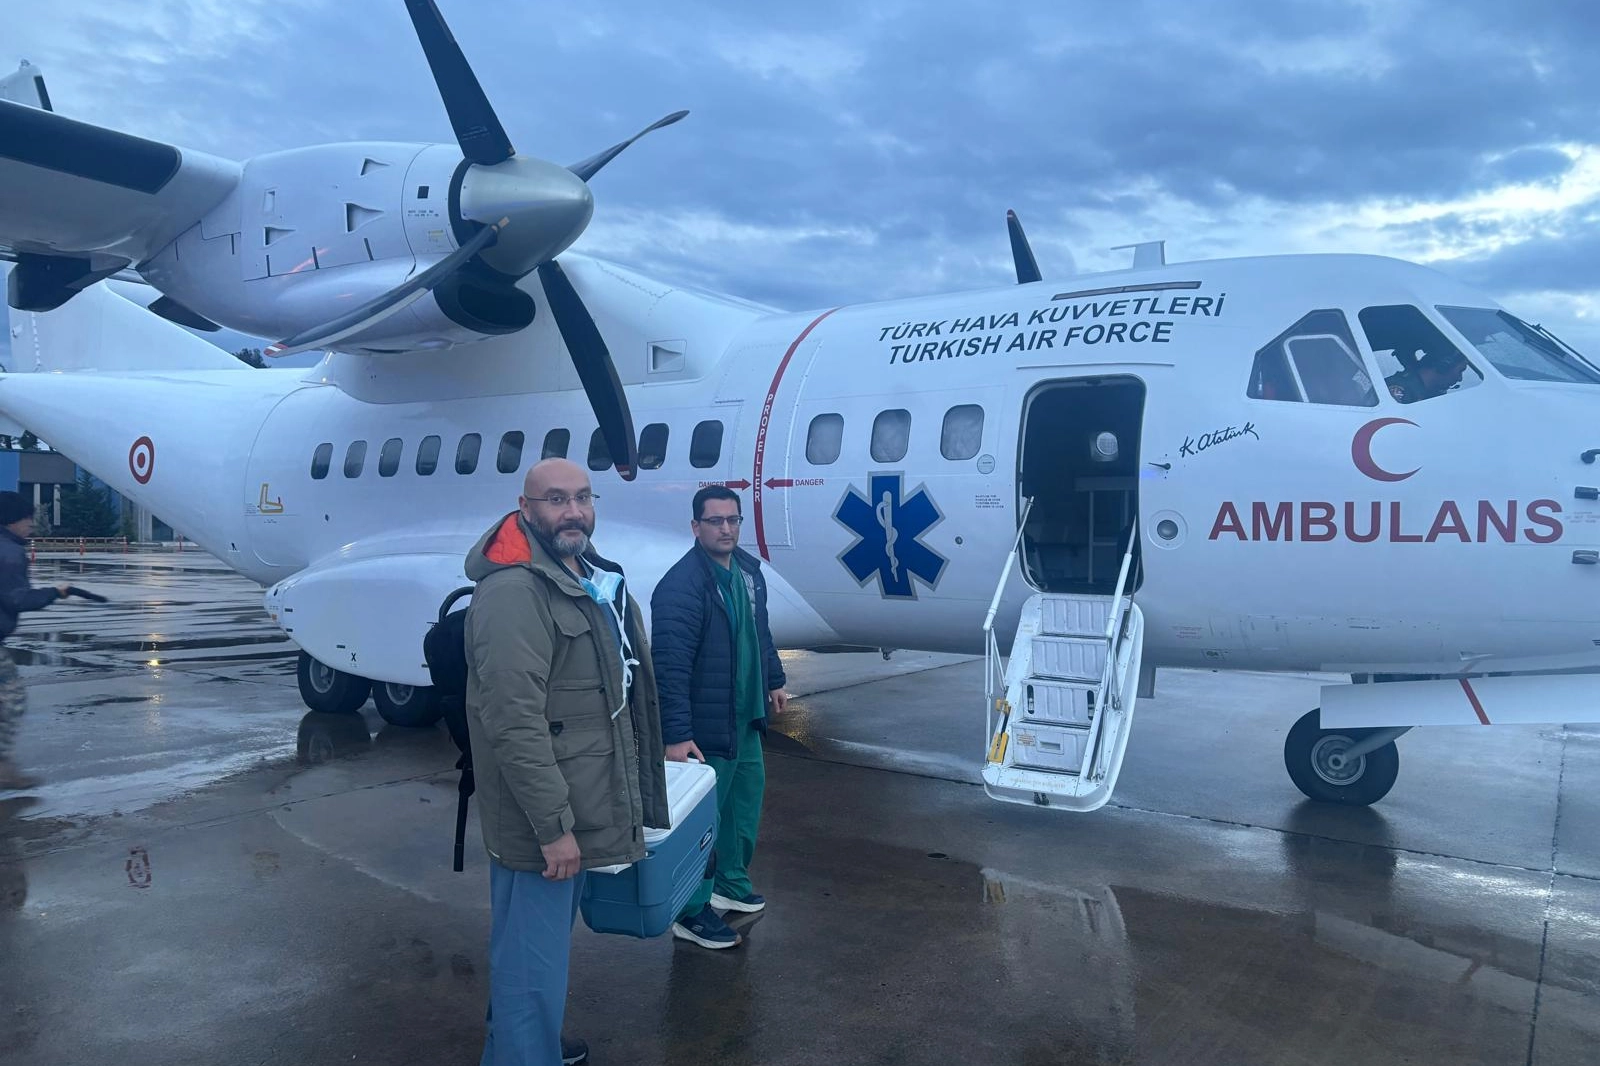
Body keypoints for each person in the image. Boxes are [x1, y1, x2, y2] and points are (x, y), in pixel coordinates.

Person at [463, 458, 668, 1066]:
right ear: (525, 508)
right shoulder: (514, 591)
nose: (573, 511)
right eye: (556, 499)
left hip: (579, 804)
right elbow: (513, 721)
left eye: (583, 497)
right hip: (544, 821)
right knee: (532, 969)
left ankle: (517, 1048)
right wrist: (552, 828)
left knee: (533, 961)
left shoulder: (583, 573)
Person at [651, 486, 788, 950]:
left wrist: (774, 679)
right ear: (696, 527)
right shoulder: (681, 587)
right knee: (702, 823)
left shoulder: (747, 573)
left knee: (742, 808)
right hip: (707, 728)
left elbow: (760, 632)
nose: (726, 529)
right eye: (715, 521)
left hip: (745, 718)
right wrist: (676, 734)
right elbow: (669, 668)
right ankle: (690, 912)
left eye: (733, 520)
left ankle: (730, 883)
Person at [0, 491, 69, 791]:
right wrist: (55, 592)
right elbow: (17, 599)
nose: (31, 524)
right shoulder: (8, 553)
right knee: (12, 699)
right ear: (10, 520)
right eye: (27, 518)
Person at [1385, 347, 1470, 403]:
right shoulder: (1402, 390)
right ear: (1444, 366)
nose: (1460, 379)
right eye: (1460, 371)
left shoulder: (1432, 394)